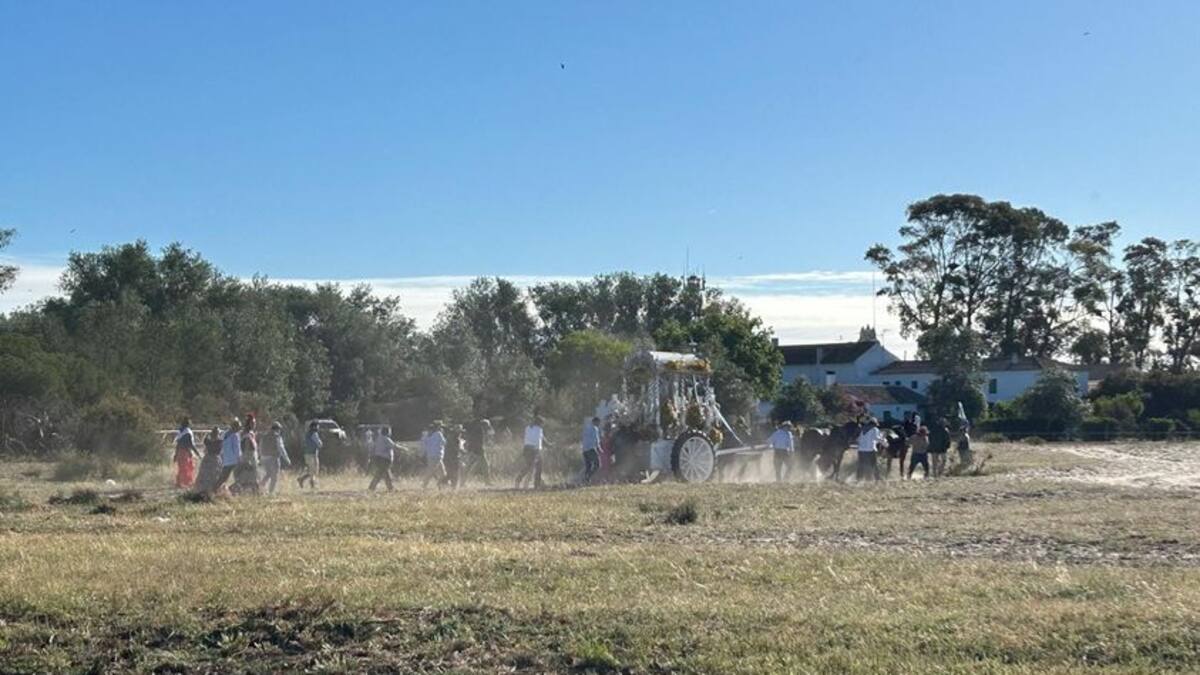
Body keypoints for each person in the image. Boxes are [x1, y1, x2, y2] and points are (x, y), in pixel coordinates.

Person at [231, 414, 260, 496]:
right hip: (248, 458)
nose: (254, 424)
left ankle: (255, 494)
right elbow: (246, 447)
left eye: (254, 423)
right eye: (253, 423)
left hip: (252, 457)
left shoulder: (251, 433)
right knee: (247, 479)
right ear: (249, 423)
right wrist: (247, 461)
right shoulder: (246, 434)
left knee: (251, 479)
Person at [516, 417, 547, 489]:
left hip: (526, 449)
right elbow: (542, 440)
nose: (543, 425)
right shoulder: (540, 430)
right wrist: (550, 445)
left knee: (528, 466)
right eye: (542, 424)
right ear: (540, 423)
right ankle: (536, 484)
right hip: (534, 450)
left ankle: (518, 480)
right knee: (539, 466)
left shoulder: (528, 428)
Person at [260, 421, 290, 495]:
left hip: (264, 458)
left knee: (268, 474)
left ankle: (260, 486)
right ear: (277, 429)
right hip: (273, 458)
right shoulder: (277, 437)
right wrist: (287, 459)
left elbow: (260, 447)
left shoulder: (264, 436)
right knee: (274, 476)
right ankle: (271, 492)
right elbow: (281, 448)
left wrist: (261, 457)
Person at [213, 417, 242, 493]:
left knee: (223, 478)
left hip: (226, 459)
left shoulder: (224, 433)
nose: (239, 428)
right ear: (235, 426)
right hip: (234, 460)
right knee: (238, 478)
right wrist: (239, 458)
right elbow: (237, 449)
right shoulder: (235, 435)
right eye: (238, 427)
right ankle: (231, 490)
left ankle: (215, 489)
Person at [462, 417, 493, 486]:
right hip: (478, 451)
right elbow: (477, 443)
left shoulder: (477, 430)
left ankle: (462, 482)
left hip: (473, 451)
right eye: (487, 426)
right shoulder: (479, 431)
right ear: (484, 425)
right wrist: (478, 450)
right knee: (485, 466)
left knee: (468, 467)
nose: (487, 428)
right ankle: (487, 482)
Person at [194, 426, 224, 494]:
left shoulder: (208, 441)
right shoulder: (219, 442)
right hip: (215, 459)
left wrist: (208, 435)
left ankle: (202, 489)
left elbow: (205, 440)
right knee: (214, 475)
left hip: (207, 458)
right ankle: (211, 490)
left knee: (204, 475)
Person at [368, 427, 400, 492]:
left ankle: (389, 488)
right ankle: (372, 487)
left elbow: (373, 447)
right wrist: (404, 448)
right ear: (387, 432)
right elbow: (394, 446)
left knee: (383, 473)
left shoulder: (378, 439)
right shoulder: (386, 439)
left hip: (378, 458)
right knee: (381, 473)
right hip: (384, 459)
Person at [173, 417, 200, 489]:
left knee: (182, 468)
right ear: (188, 424)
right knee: (187, 468)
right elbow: (190, 444)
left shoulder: (180, 432)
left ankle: (179, 482)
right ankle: (186, 483)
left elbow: (178, 444)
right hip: (186, 452)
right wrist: (197, 453)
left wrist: (176, 454)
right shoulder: (188, 432)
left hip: (180, 452)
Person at [297, 420, 322, 490]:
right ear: (314, 426)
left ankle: (302, 479)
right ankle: (312, 486)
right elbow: (319, 444)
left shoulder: (307, 433)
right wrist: (320, 444)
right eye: (317, 426)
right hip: (312, 454)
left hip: (307, 454)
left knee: (311, 470)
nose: (318, 427)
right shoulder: (314, 434)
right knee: (314, 470)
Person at [855, 418, 882, 482]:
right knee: (874, 464)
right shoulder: (874, 429)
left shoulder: (863, 429)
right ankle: (877, 478)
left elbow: (858, 439)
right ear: (874, 424)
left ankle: (859, 478)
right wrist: (884, 442)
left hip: (861, 450)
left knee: (861, 465)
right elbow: (876, 438)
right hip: (870, 450)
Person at [421, 422, 447, 489]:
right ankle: (424, 484)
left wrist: (423, 454)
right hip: (437, 455)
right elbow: (444, 442)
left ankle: (440, 484)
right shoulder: (439, 434)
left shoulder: (426, 436)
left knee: (442, 472)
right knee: (432, 471)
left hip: (431, 456)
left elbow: (424, 446)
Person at [579, 417, 602, 485]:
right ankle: (587, 477)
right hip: (591, 449)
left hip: (584, 450)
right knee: (597, 464)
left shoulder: (586, 428)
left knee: (588, 466)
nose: (599, 424)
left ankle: (585, 480)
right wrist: (599, 448)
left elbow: (583, 438)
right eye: (598, 422)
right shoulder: (595, 428)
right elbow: (596, 439)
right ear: (595, 422)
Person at [443, 424, 464, 489]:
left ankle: (445, 483)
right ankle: (453, 486)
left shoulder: (452, 436)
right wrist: (462, 451)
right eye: (460, 430)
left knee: (452, 472)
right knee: (455, 471)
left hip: (450, 456)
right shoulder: (454, 437)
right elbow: (455, 447)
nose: (461, 432)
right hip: (452, 456)